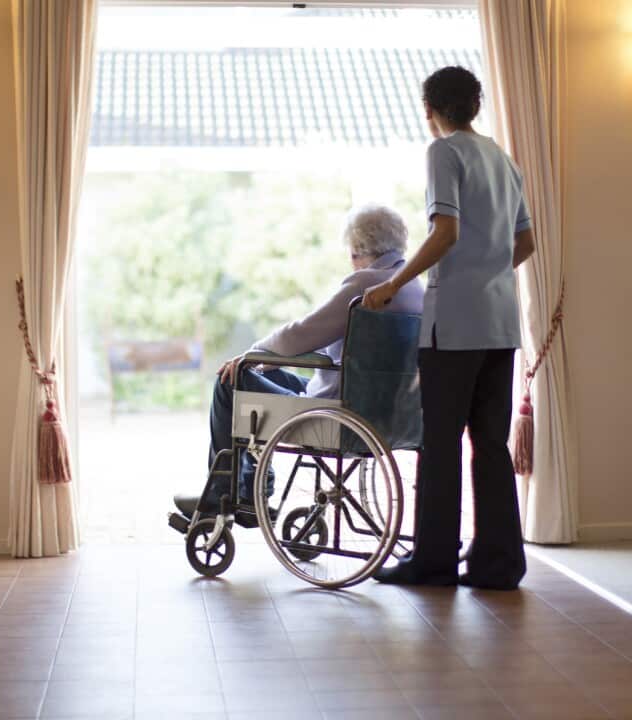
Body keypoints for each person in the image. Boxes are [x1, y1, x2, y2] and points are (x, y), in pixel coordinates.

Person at [362, 66, 536, 590]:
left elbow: (446, 231)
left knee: (440, 443)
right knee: (490, 444)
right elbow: (526, 242)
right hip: (500, 322)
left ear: (429, 110)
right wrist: (489, 274)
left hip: (455, 326)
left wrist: (393, 283)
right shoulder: (504, 159)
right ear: (475, 105)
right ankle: (498, 563)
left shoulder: (444, 152)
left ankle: (433, 561)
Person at [174, 204, 424, 523]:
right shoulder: (414, 287)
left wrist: (254, 354)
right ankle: (249, 490)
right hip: (389, 414)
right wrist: (265, 364)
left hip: (340, 414)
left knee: (232, 379)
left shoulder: (365, 285)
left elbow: (302, 333)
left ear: (358, 248)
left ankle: (226, 495)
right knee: (269, 374)